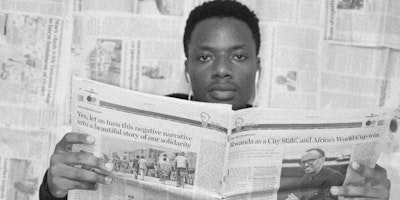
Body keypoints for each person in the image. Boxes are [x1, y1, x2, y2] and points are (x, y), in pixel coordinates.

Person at [39, 1, 390, 199]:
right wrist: (54, 190)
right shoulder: (143, 129)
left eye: (238, 57)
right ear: (187, 68)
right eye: (206, 57)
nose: (222, 70)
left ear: (258, 68)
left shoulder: (285, 142)